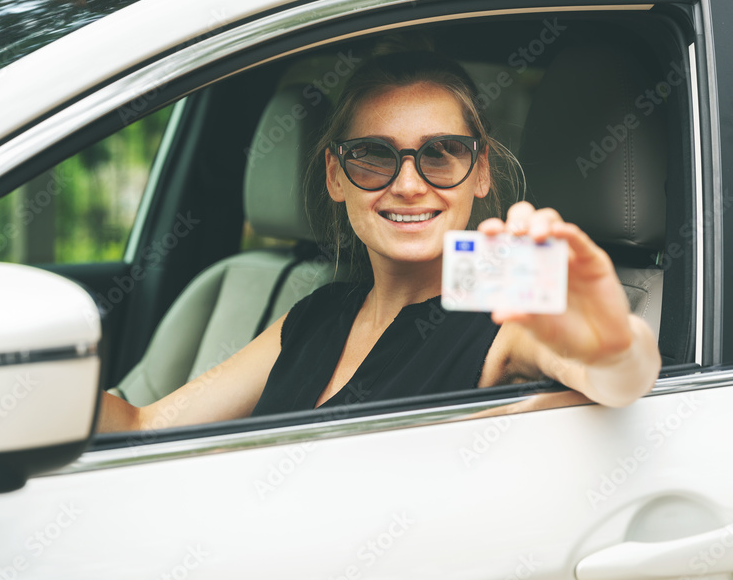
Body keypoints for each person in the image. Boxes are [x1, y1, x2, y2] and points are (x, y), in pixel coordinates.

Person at [97, 51, 661, 433]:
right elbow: (145, 427)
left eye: (441, 153)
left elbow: (616, 379)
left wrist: (613, 345)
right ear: (335, 176)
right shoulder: (317, 312)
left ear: (481, 170)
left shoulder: (512, 307)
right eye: (373, 156)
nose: (410, 185)